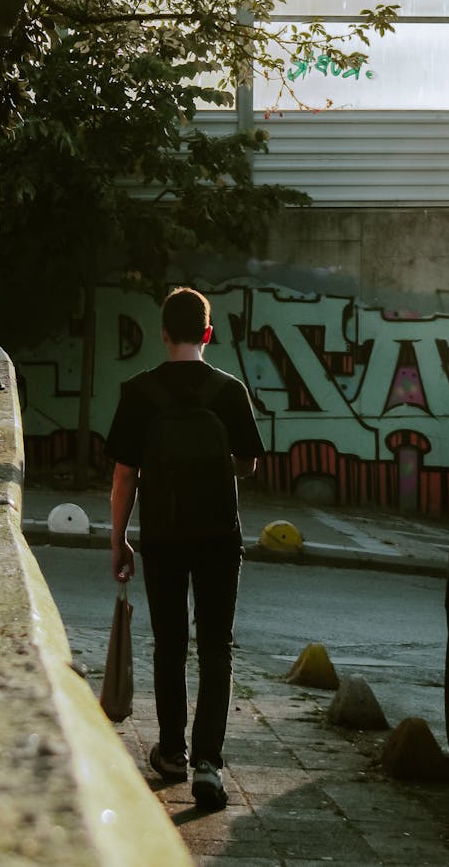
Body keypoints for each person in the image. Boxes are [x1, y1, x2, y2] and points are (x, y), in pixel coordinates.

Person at [106, 286, 264, 810]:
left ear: (164, 334)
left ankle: (171, 752)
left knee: (170, 645)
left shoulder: (138, 391)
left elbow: (124, 476)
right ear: (208, 333)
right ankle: (208, 764)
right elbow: (248, 464)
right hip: (219, 536)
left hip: (163, 537)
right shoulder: (230, 391)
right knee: (216, 648)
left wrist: (119, 540)